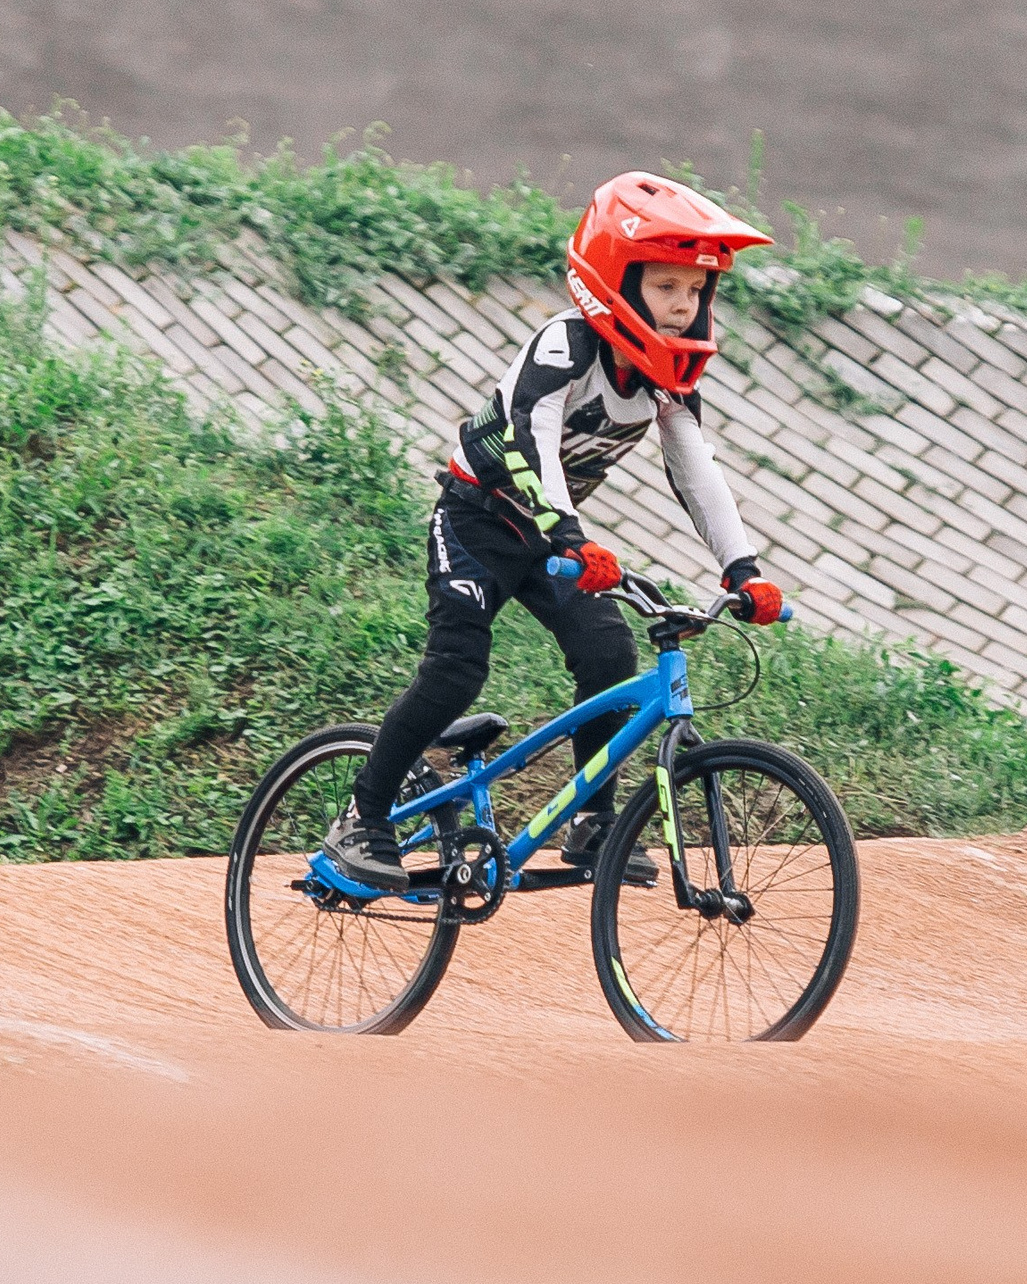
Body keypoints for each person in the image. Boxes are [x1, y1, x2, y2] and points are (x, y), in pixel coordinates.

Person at [328, 170, 785, 892]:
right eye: (667, 286)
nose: (684, 305)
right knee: (455, 667)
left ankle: (593, 823)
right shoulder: (564, 346)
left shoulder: (668, 382)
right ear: (617, 280)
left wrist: (743, 568)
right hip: (477, 518)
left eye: (696, 290)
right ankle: (362, 815)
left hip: (550, 539)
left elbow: (698, 472)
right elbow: (529, 436)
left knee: (608, 648)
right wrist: (571, 536)